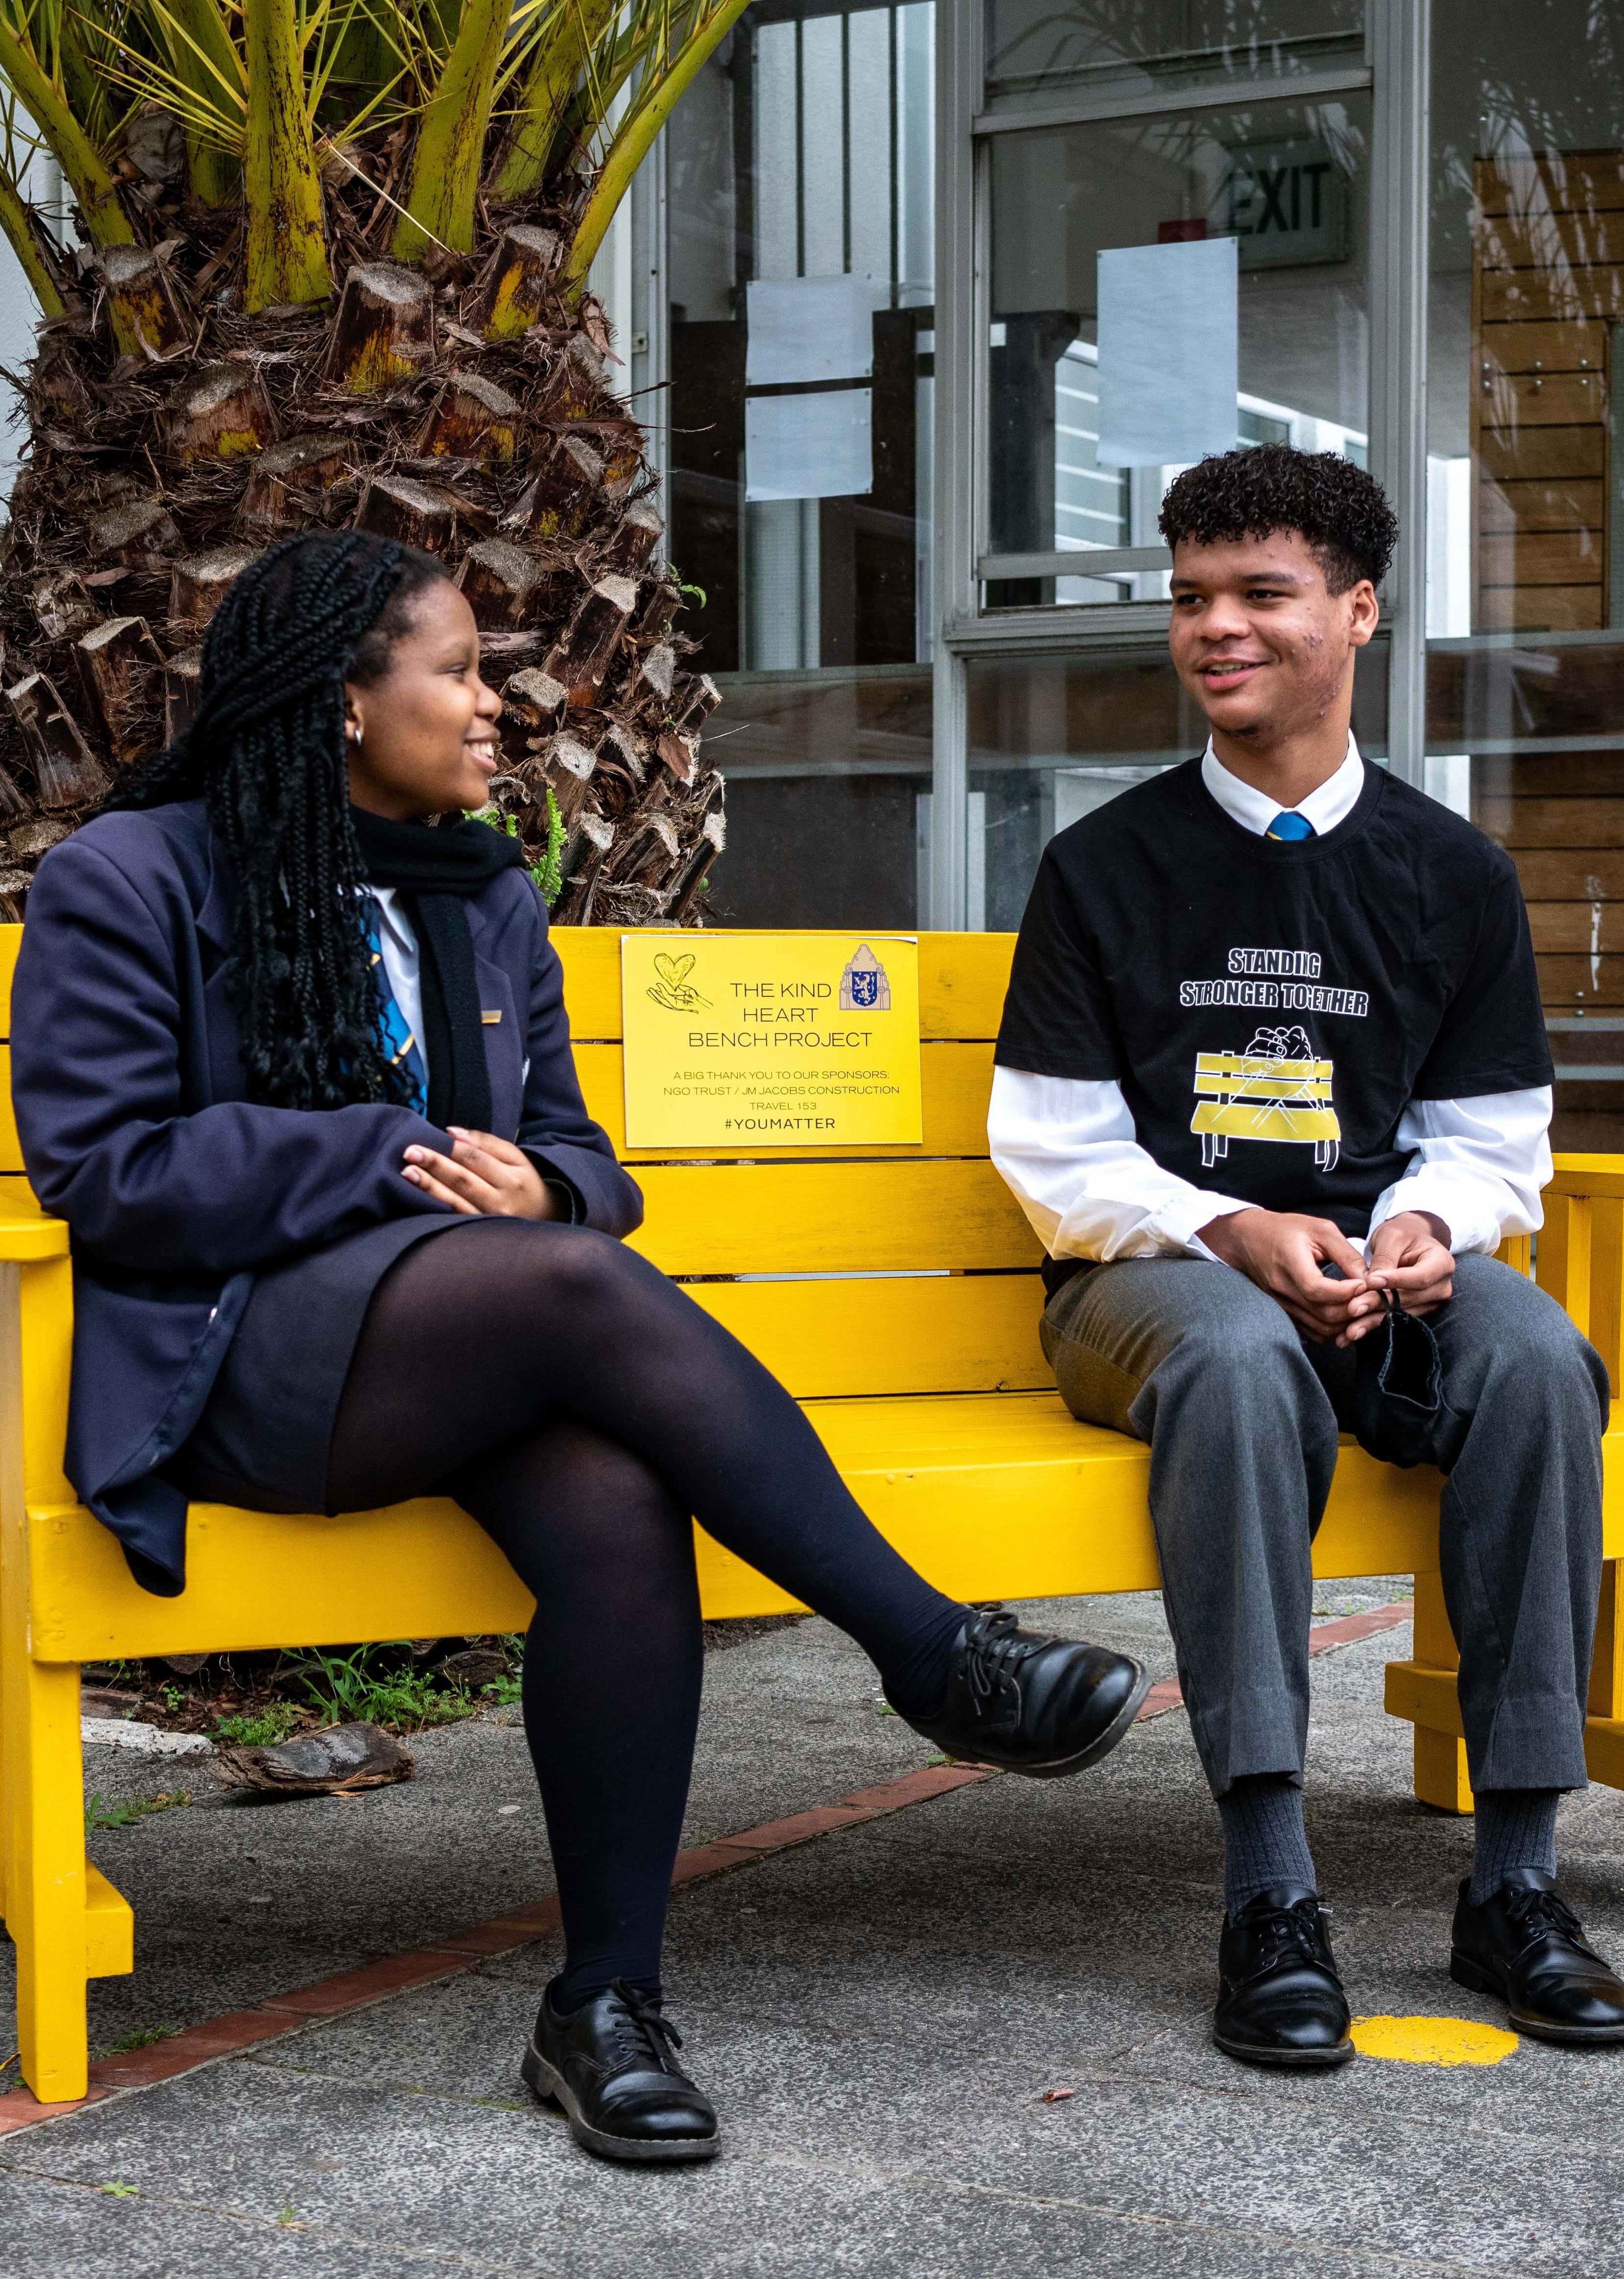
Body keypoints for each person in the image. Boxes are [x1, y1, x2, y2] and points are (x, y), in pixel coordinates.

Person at [10, 529, 1150, 2164]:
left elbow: (580, 1160)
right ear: (343, 698)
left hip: (464, 1348)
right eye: (460, 672)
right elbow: (103, 1173)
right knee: (558, 1283)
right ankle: (926, 1652)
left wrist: (541, 1178)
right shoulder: (136, 876)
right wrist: (390, 1150)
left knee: (615, 1497)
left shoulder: (478, 895)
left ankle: (604, 2003)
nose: (498, 710)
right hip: (239, 1357)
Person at [989, 444, 1624, 2068]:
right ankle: (1270, 1891)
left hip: (1378, 1268)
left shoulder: (1449, 874)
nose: (1216, 626)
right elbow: (1054, 1155)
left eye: (1259, 594)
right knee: (1235, 1349)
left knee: (1541, 1362)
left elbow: (1493, 1140)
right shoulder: (1104, 867)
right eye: (1191, 596)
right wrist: (1233, 1228)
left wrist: (1426, 1228)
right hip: (1143, 1277)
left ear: (1354, 612)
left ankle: (1514, 1883)